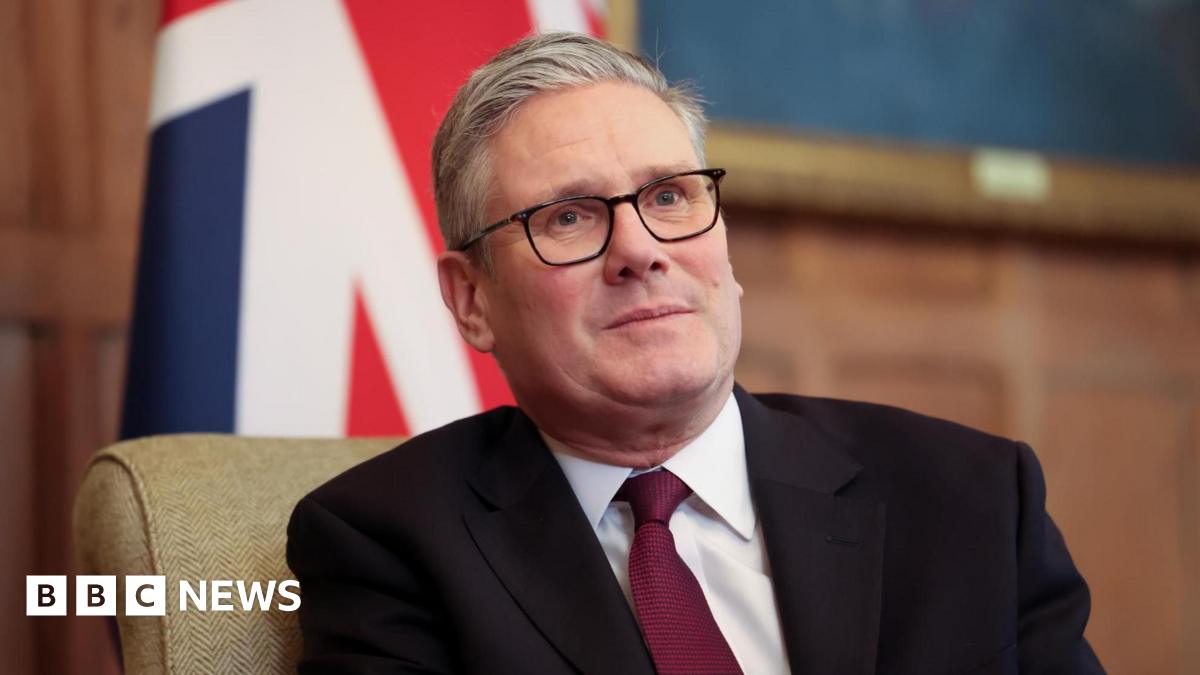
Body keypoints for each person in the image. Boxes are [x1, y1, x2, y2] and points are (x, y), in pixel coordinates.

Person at [287, 32, 1103, 674]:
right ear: (472, 299)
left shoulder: (974, 497)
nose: (640, 250)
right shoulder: (388, 540)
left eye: (670, 196)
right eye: (569, 216)